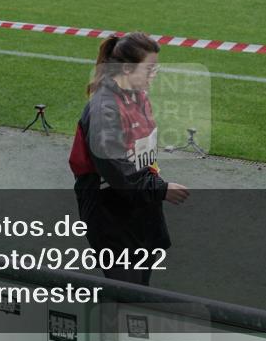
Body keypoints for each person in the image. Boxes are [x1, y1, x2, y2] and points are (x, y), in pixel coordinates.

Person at [68, 32, 190, 286]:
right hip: (110, 212)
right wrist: (161, 189)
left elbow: (141, 154)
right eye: (149, 68)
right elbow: (116, 170)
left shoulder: (139, 97)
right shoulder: (104, 108)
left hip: (139, 207)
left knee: (140, 288)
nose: (153, 74)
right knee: (127, 291)